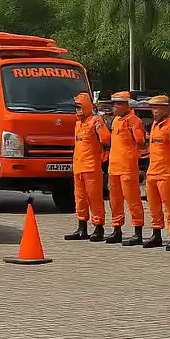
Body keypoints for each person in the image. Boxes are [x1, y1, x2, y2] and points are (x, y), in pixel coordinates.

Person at [143, 94, 170, 250]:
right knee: (154, 207)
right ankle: (156, 234)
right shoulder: (154, 125)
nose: (154, 111)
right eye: (152, 108)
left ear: (166, 109)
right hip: (152, 173)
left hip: (166, 174)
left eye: (157, 108)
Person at [65, 93, 110, 241]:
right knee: (80, 199)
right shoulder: (78, 124)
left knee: (95, 198)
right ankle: (81, 227)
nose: (77, 110)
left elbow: (105, 139)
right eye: (75, 107)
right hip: (78, 167)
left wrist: (103, 153)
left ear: (85, 106)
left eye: (79, 107)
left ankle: (98, 227)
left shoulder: (95, 121)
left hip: (91, 167)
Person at [105, 91, 147, 245]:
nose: (114, 106)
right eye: (114, 103)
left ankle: (138, 231)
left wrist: (135, 129)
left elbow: (141, 141)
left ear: (126, 105)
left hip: (128, 167)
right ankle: (117, 229)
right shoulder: (116, 120)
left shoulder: (134, 121)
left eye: (118, 104)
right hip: (114, 167)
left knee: (133, 200)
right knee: (114, 200)